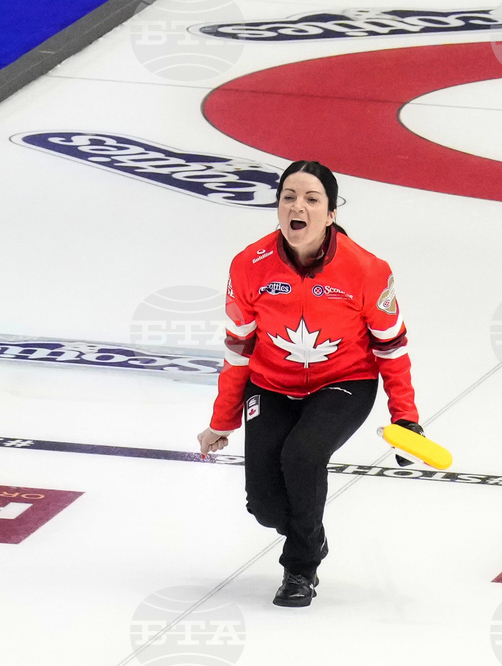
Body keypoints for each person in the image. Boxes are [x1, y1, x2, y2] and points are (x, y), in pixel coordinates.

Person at [196, 160, 425, 607]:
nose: (297, 206)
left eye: (311, 199)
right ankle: (310, 535)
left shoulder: (367, 270)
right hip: (270, 385)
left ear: (331, 213)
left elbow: (392, 348)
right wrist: (222, 420)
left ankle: (300, 569)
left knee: (303, 456)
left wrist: (407, 420)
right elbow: (238, 349)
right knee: (264, 504)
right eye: (288, 197)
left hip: (344, 381)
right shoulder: (249, 265)